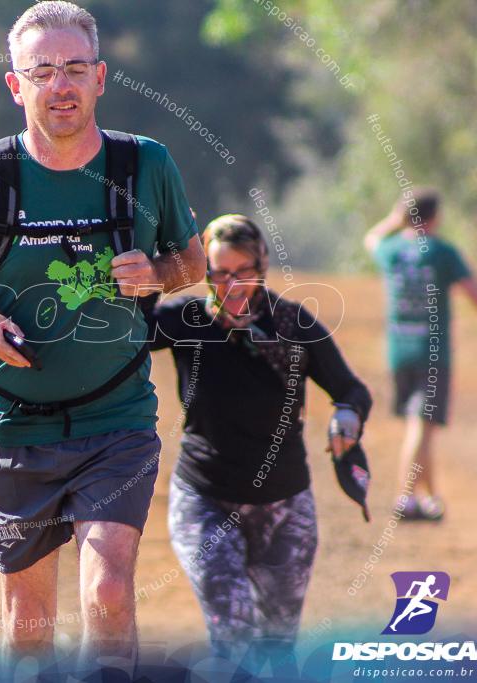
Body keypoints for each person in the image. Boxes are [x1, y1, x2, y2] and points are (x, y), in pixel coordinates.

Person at [0, 2, 205, 675]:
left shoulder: (146, 167)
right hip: (14, 426)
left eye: (76, 69)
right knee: (28, 625)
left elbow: (193, 263)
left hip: (116, 417)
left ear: (101, 78)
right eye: (44, 70)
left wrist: (159, 273)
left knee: (108, 591)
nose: (61, 85)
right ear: (15, 84)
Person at [149, 215, 373, 668]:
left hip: (284, 502)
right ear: (202, 270)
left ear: (262, 266)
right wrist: (162, 261)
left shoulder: (291, 322)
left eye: (243, 271)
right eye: (218, 272)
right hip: (205, 499)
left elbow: (351, 389)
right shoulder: (185, 320)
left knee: (278, 645)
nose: (231, 283)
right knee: (233, 632)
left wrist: (346, 417)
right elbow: (130, 332)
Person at [364, 189, 477, 520]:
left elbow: (371, 238)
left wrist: (394, 219)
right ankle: (405, 498)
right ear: (435, 217)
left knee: (423, 426)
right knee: (421, 426)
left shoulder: (390, 249)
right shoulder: (442, 252)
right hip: (432, 354)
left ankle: (430, 498)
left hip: (397, 351)